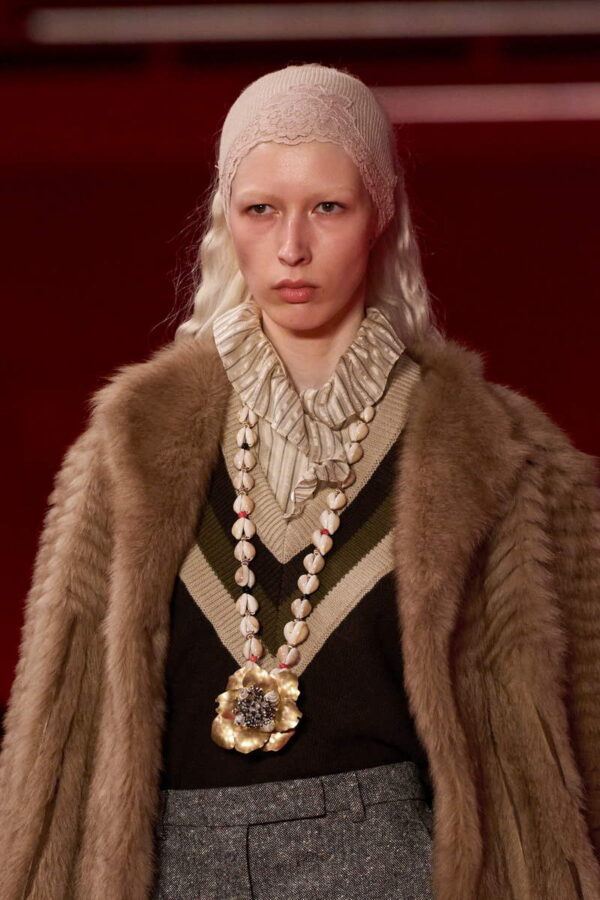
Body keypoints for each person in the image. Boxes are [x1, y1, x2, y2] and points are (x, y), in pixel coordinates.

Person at [0, 62, 599, 900]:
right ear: (226, 219)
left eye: (327, 207)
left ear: (380, 213)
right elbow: (57, 739)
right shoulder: (126, 446)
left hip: (401, 868)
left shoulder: (510, 457)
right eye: (261, 209)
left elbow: (576, 742)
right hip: (168, 866)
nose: (292, 248)